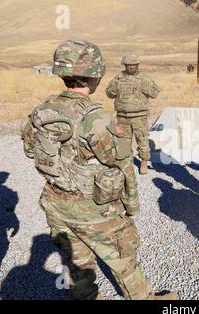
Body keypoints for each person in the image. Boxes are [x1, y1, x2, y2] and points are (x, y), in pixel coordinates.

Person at [21, 40, 177, 300]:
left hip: (56, 205)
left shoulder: (43, 109)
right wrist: (131, 206)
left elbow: (30, 149)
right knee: (124, 259)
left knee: (77, 263)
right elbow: (121, 162)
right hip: (96, 210)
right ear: (95, 75)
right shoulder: (96, 118)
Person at [105, 53, 160, 175]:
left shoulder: (144, 78)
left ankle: (144, 162)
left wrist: (146, 89)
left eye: (133, 65)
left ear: (137, 65)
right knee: (123, 141)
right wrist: (114, 90)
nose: (131, 67)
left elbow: (155, 93)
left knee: (142, 139)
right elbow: (108, 93)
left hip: (139, 116)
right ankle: (126, 163)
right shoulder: (118, 77)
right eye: (128, 65)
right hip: (122, 117)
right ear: (124, 65)